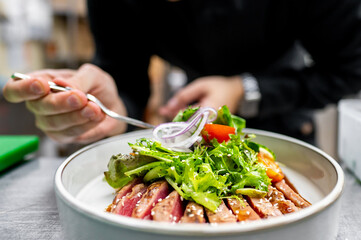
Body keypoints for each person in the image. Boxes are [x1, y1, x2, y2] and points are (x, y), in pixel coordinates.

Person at [3, 0, 361, 145]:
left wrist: (244, 90)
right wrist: (113, 108)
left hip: (284, 120)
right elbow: (123, 73)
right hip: (190, 130)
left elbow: (351, 68)